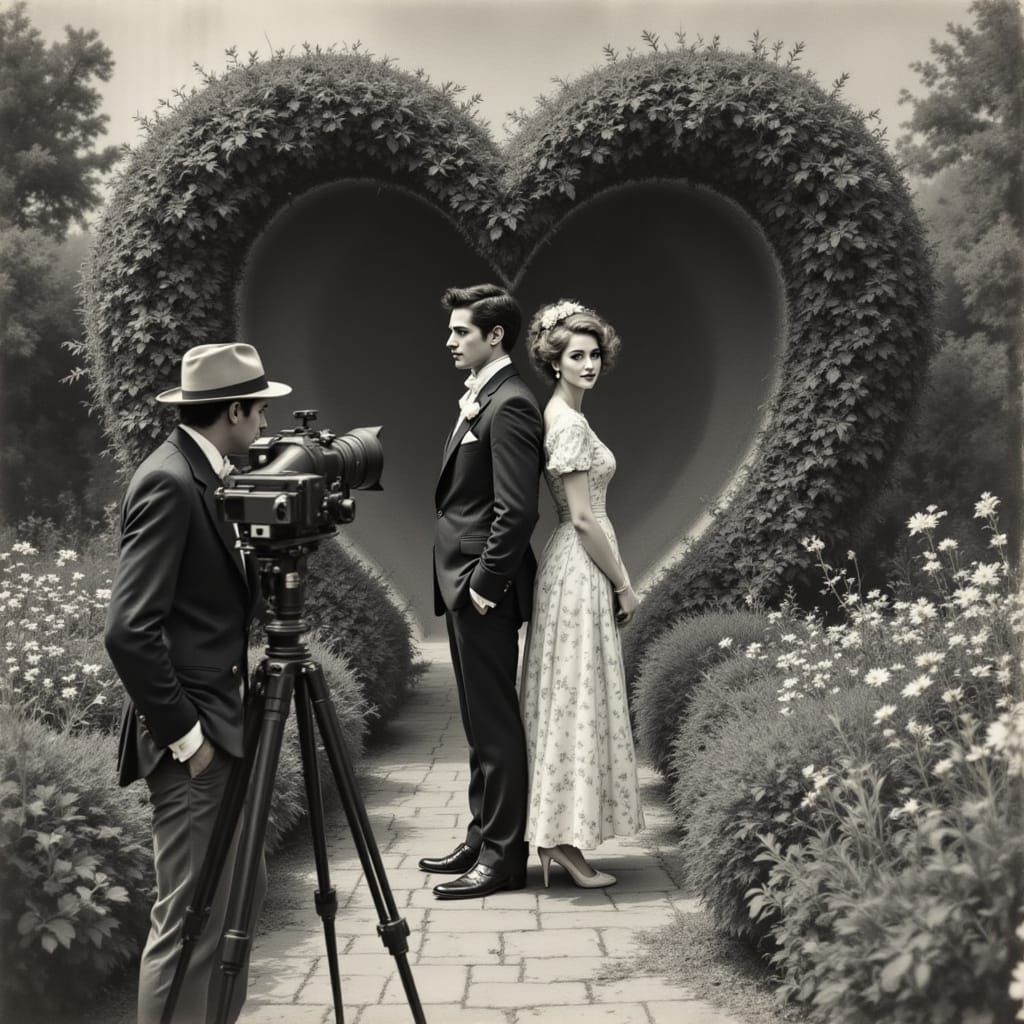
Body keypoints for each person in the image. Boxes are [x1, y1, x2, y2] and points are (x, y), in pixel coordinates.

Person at [104, 342, 291, 1023]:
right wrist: (190, 741)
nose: (266, 423)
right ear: (234, 411)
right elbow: (129, 630)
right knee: (190, 919)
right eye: (261, 410)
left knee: (237, 899)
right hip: (195, 745)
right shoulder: (169, 482)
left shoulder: (206, 475)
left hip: (225, 726)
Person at [423, 283, 544, 899]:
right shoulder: (483, 397)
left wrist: (484, 587)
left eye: (460, 332)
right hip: (462, 579)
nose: (449, 341)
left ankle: (503, 858)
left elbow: (517, 511)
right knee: (476, 720)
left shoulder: (513, 403)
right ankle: (480, 836)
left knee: (495, 723)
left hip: (481, 586)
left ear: (495, 336)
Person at [519, 300, 645, 889]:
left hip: (577, 564)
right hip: (580, 563)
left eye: (595, 354)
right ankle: (561, 840)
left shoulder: (569, 414)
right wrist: (623, 582)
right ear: (556, 361)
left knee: (573, 693)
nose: (589, 364)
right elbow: (583, 517)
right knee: (574, 696)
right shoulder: (566, 424)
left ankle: (560, 837)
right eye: (577, 356)